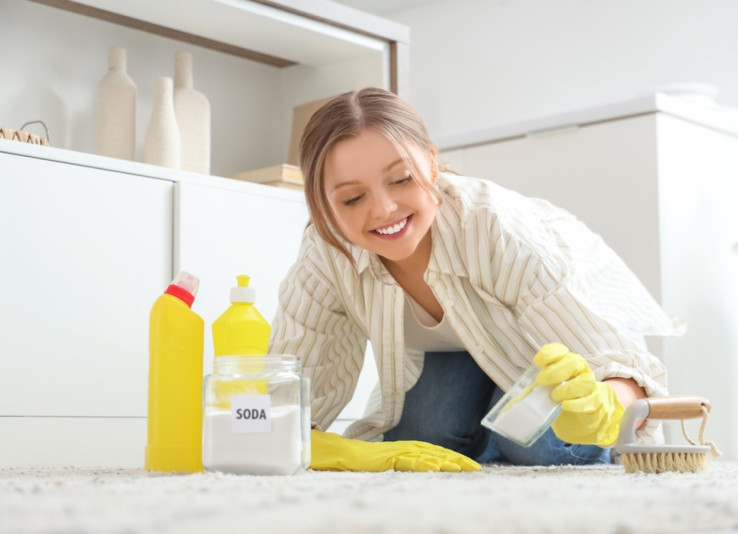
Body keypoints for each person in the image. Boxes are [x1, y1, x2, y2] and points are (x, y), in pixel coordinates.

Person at [268, 87, 684, 472]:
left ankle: (509, 433)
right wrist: (341, 451)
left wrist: (607, 409)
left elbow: (622, 368)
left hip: (550, 334)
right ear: (323, 203)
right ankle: (489, 426)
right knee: (421, 437)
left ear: (432, 162)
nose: (383, 209)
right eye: (353, 198)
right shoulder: (326, 251)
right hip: (455, 351)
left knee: (537, 446)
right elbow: (287, 401)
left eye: (401, 179)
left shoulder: (495, 227)